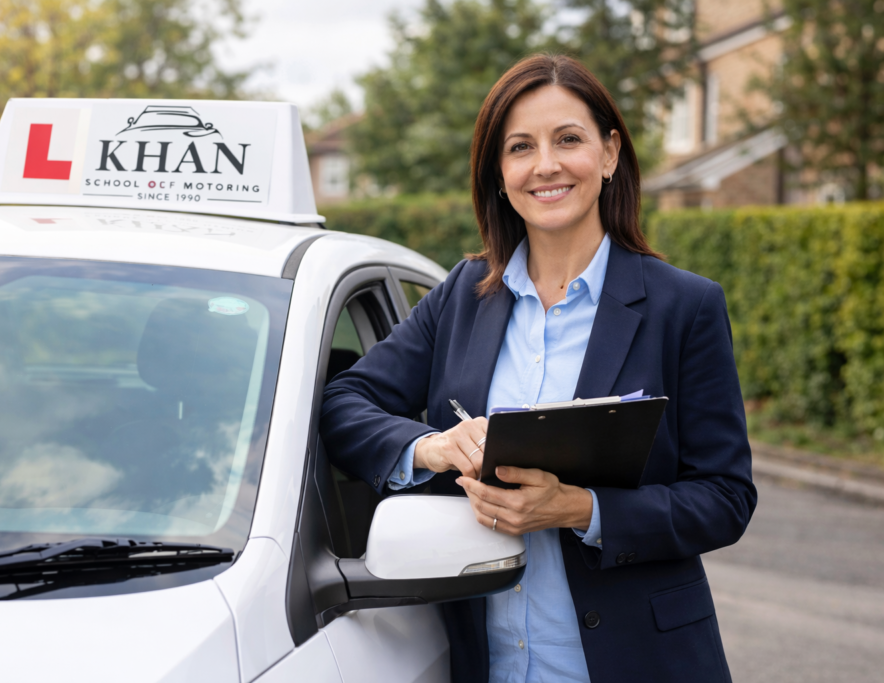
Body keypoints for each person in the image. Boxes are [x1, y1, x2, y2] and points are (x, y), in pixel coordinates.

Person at [320, 53, 756, 683]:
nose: (545, 165)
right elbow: (345, 401)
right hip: (483, 662)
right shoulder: (463, 294)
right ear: (499, 173)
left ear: (609, 155)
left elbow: (725, 497)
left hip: (637, 663)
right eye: (520, 147)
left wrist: (580, 509)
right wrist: (431, 446)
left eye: (568, 140)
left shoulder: (683, 306)